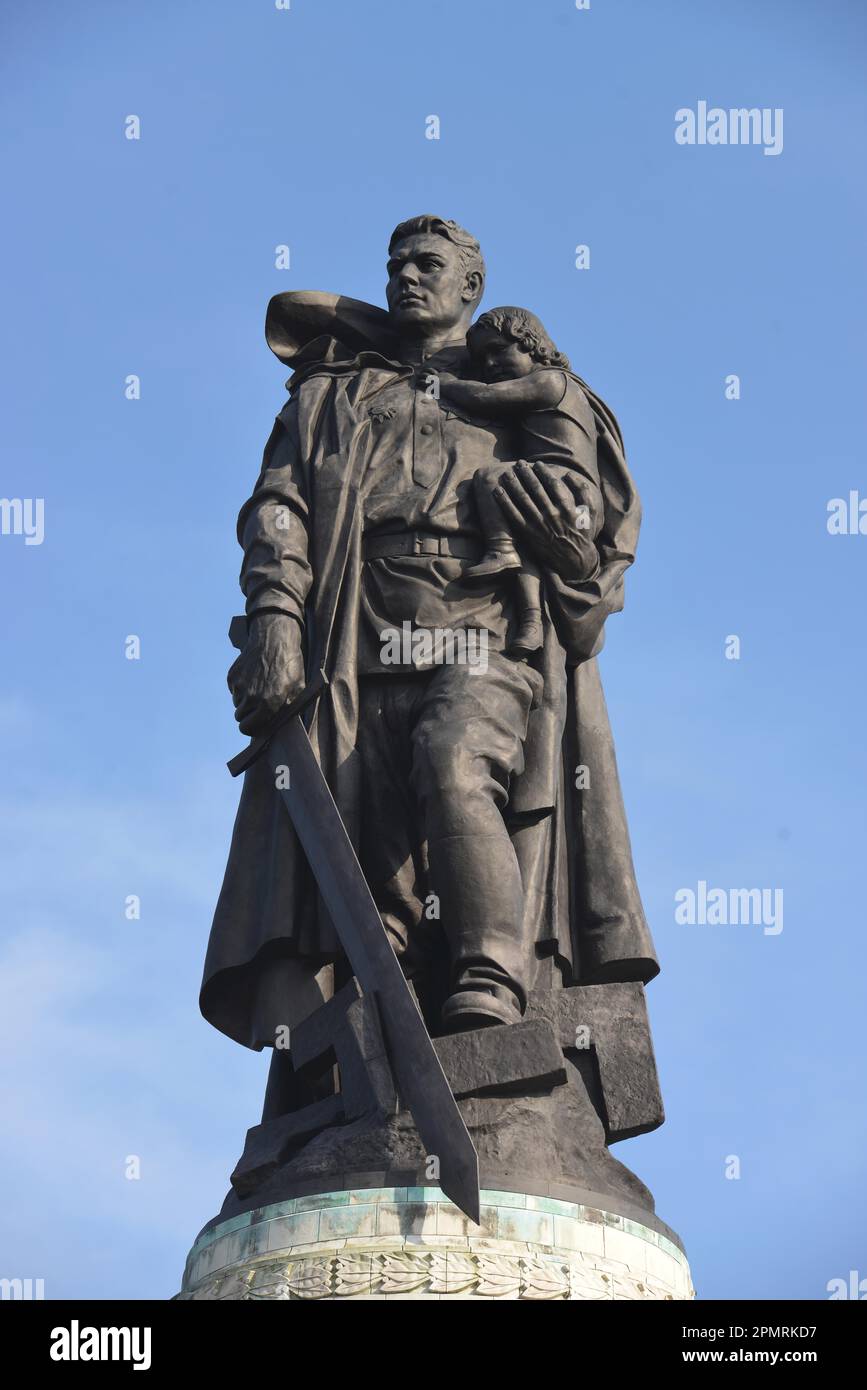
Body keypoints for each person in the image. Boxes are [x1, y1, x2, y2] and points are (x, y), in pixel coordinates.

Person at [201, 215, 657, 1091]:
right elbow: (278, 508)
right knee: (363, 836)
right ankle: (390, 1004)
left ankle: (492, 975)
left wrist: (560, 538)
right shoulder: (329, 395)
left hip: (481, 619)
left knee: (455, 760)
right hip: (354, 630)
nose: (407, 276)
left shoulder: (524, 384)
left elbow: (593, 543)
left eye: (428, 264)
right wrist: (274, 618)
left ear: (469, 287)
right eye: (395, 265)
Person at [436, 305, 604, 655]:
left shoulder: (550, 381)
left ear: (531, 344)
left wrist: (447, 386)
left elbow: (487, 398)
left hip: (568, 485)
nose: (490, 365)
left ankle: (500, 547)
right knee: (525, 543)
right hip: (551, 485)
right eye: (483, 358)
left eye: (499, 351)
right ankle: (530, 624)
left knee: (491, 478)